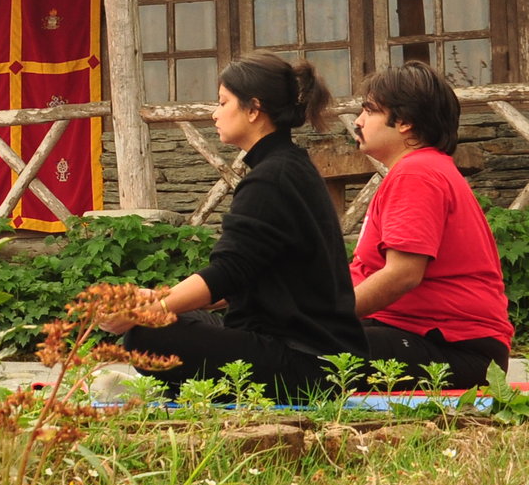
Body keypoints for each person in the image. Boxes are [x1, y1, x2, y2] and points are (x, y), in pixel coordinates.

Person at [124, 55, 367, 401]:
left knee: (146, 337)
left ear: (254, 109)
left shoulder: (272, 179)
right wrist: (157, 299)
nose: (215, 113)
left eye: (223, 102)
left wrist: (149, 309)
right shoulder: (288, 167)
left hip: (307, 362)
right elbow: (249, 273)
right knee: (181, 317)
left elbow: (228, 271)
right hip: (312, 356)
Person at [348, 63, 513, 389]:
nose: (358, 120)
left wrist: (323, 317)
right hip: (416, 335)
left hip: (456, 350)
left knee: (304, 352)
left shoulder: (417, 173)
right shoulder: (418, 170)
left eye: (369, 110)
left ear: (406, 122)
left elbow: (403, 274)